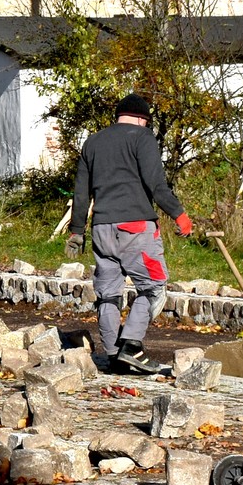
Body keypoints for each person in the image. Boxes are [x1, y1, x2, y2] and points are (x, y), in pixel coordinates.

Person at [64, 94, 195, 374]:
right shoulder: (143, 137)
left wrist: (77, 231)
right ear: (142, 119)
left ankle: (113, 354)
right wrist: (179, 214)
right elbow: (155, 182)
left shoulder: (93, 142)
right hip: (136, 228)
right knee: (154, 286)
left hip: (101, 229)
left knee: (108, 294)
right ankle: (131, 346)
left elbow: (80, 191)